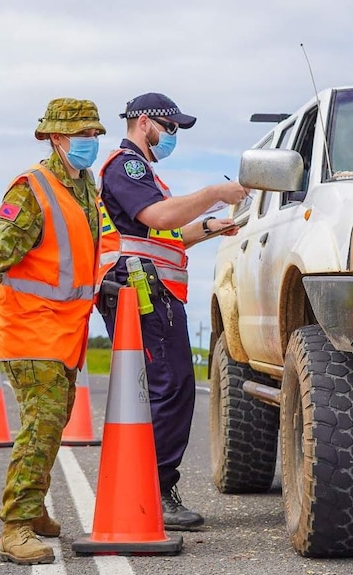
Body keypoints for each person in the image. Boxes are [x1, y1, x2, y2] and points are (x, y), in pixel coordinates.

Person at [0, 98, 105, 565]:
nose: (91, 143)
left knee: (55, 420)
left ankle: (35, 506)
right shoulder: (31, 188)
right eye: (82, 136)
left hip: (66, 328)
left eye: (94, 134)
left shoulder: (86, 185)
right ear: (56, 139)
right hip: (29, 325)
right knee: (41, 425)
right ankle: (17, 526)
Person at [96, 92, 248, 530]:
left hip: (149, 287)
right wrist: (215, 193)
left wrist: (209, 227)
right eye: (171, 127)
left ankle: (148, 487)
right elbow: (158, 217)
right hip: (142, 290)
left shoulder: (142, 173)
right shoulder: (128, 165)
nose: (173, 136)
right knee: (171, 386)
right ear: (144, 122)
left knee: (166, 388)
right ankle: (156, 491)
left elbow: (166, 234)